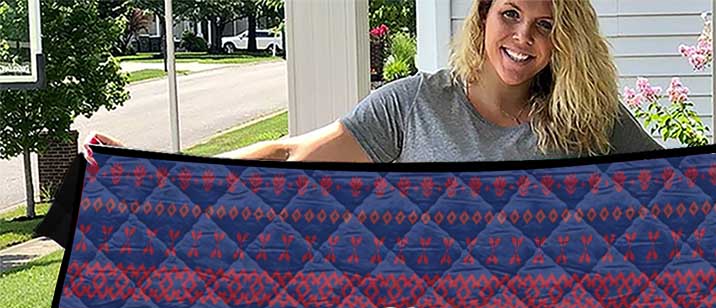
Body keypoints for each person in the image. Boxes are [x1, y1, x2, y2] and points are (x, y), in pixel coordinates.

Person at [88, 0, 660, 164]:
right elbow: (294, 153)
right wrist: (153, 167)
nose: (522, 37)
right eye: (510, 14)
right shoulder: (415, 104)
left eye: (544, 25)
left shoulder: (588, 117)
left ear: (564, 39)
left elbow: (684, 192)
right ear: (483, 17)